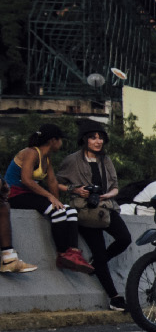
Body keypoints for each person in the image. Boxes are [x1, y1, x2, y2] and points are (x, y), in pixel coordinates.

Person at [55, 122, 129, 310]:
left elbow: (115, 188)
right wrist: (76, 190)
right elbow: (56, 183)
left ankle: (98, 262)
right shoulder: (72, 160)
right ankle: (114, 297)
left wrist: (106, 195)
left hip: (105, 206)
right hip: (86, 211)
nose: (98, 141)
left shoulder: (106, 160)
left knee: (124, 238)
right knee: (98, 250)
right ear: (85, 139)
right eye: (93, 137)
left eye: (100, 137)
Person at [7, 122, 92, 275]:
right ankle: (62, 254)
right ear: (53, 140)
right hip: (15, 195)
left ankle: (73, 252)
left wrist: (58, 201)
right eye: (60, 140)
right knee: (57, 212)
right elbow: (26, 180)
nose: (61, 143)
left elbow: (52, 182)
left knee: (70, 211)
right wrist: (49, 197)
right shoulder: (31, 153)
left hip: (29, 194)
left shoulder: (46, 158)